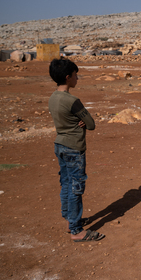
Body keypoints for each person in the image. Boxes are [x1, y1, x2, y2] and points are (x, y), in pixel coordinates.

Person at [48, 58, 105, 242]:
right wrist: (80, 121)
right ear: (68, 77)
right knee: (76, 188)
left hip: (60, 145)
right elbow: (91, 124)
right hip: (74, 148)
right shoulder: (72, 100)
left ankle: (69, 220)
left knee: (66, 184)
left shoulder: (53, 97)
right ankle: (76, 230)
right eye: (75, 75)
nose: (77, 78)